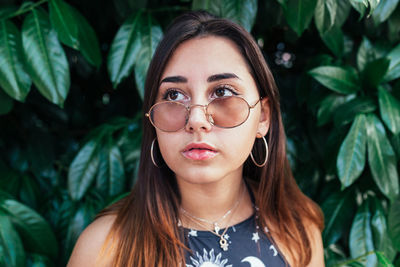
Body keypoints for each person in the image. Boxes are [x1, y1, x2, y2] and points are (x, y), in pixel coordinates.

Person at [67, 10, 324, 267]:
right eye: (174, 96)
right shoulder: (104, 247)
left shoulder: (297, 229)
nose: (196, 120)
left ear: (263, 117)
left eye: (222, 91)